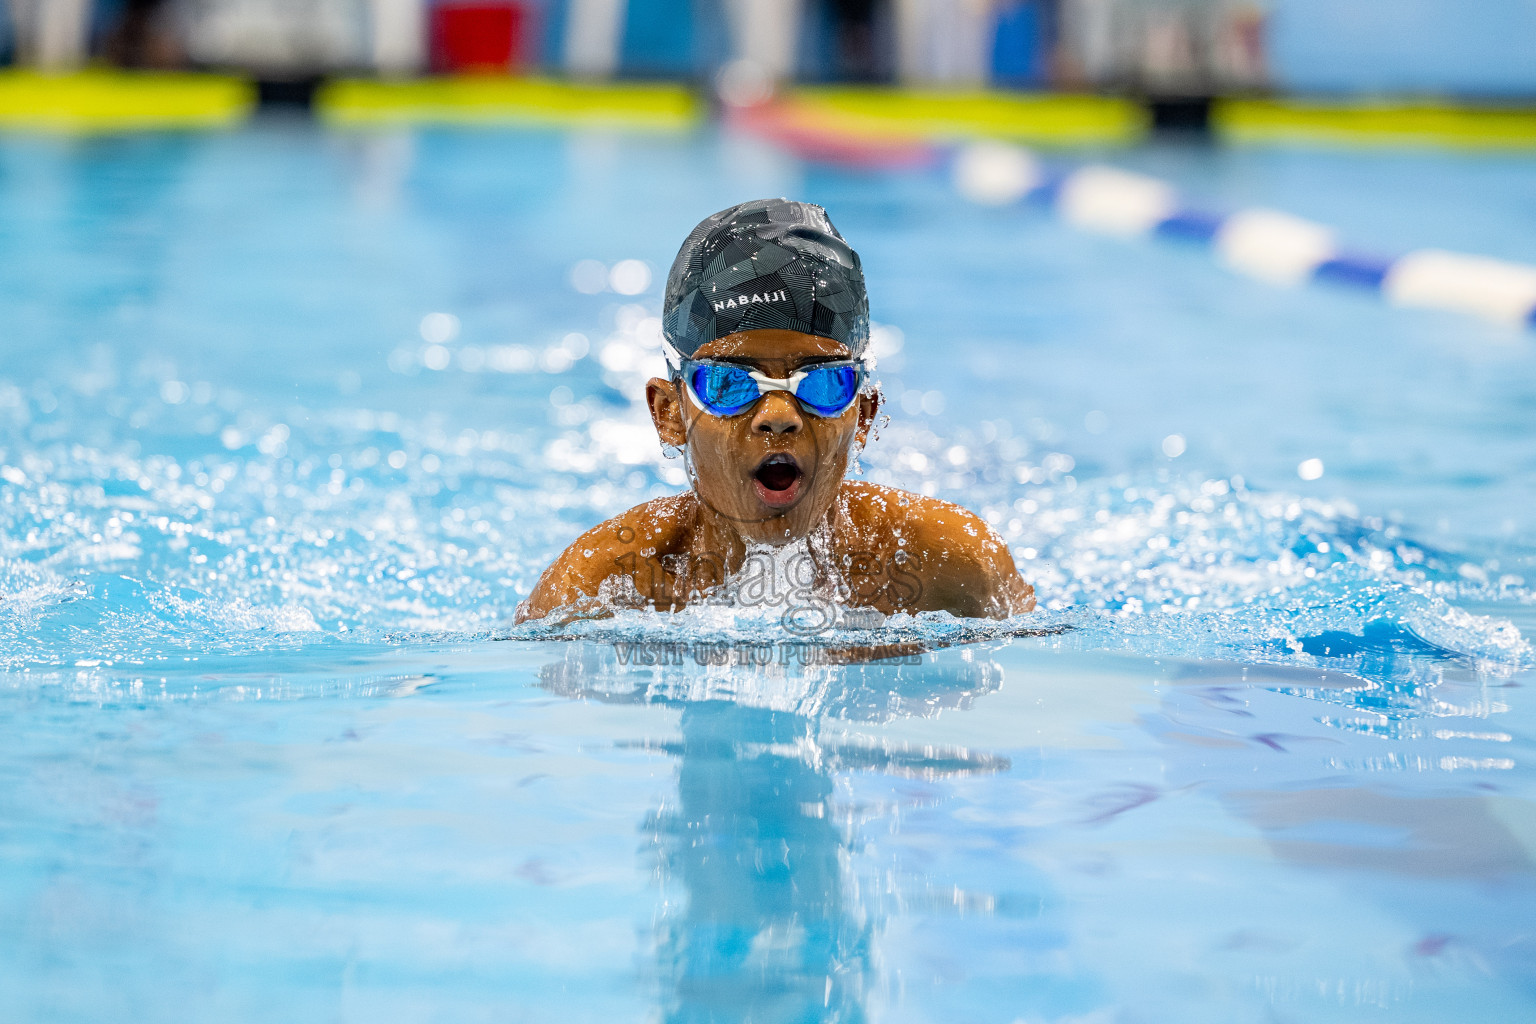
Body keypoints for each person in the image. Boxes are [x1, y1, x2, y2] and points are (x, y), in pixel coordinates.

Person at [517, 198, 1034, 624]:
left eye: (824, 383)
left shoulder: (954, 564)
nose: (779, 414)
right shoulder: (601, 588)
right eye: (729, 383)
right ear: (669, 413)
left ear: (864, 415)